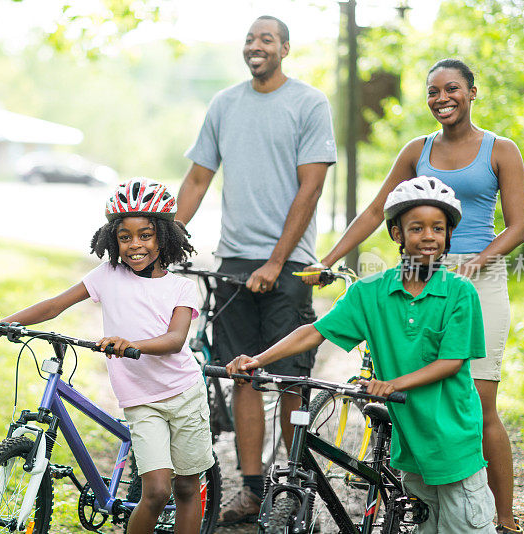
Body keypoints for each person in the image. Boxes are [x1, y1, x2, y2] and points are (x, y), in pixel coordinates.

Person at [304, 58, 524, 534]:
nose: (441, 98)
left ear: (471, 92)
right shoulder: (416, 150)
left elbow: (520, 224)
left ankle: (502, 518)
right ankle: (427, 496)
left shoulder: (500, 149)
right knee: (416, 389)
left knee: (478, 402)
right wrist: (329, 259)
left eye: (452, 89)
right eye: (432, 91)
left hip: (476, 280)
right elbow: (374, 212)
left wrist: (475, 262)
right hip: (421, 271)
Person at [229, 176, 497, 533]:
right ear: (397, 235)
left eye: (438, 228)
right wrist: (257, 360)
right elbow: (314, 332)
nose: (429, 236)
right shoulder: (370, 293)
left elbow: (451, 363)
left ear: (449, 235)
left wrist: (391, 384)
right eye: (417, 228)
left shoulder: (460, 293)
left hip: (453, 444)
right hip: (411, 447)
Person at [0, 178, 214, 534]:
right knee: (157, 492)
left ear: (164, 236)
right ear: (112, 239)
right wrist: (4, 323)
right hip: (142, 400)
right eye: (125, 237)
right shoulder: (107, 275)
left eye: (146, 235)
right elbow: (55, 304)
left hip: (184, 394)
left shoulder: (180, 287)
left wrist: (131, 344)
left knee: (186, 487)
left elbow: (175, 340)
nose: (135, 245)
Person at [175, 14, 337, 525]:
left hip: (289, 265)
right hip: (235, 261)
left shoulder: (309, 103)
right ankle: (250, 489)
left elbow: (310, 188)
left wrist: (275, 260)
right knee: (242, 375)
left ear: (285, 49)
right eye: (249, 39)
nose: (255, 46)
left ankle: (291, 489)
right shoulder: (224, 104)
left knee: (290, 379)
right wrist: (168, 239)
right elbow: (199, 177)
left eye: (266, 39)